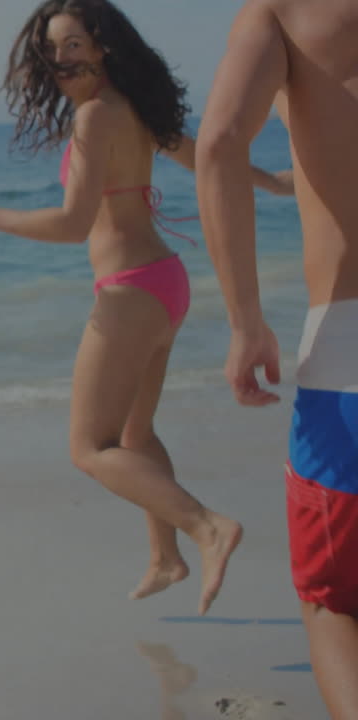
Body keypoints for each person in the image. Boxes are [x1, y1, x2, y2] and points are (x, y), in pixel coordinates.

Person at [0, 0, 291, 614]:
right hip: (163, 283)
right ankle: (165, 558)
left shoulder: (94, 117)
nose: (60, 58)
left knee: (89, 449)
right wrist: (278, 183)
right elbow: (207, 156)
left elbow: (74, 224)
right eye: (52, 48)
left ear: (103, 48)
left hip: (131, 290)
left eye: (74, 44)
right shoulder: (132, 107)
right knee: (134, 433)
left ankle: (208, 527)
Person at [195, 0, 358, 715]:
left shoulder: (284, 13)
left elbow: (219, 142)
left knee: (332, 604)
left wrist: (245, 321)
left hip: (348, 361)